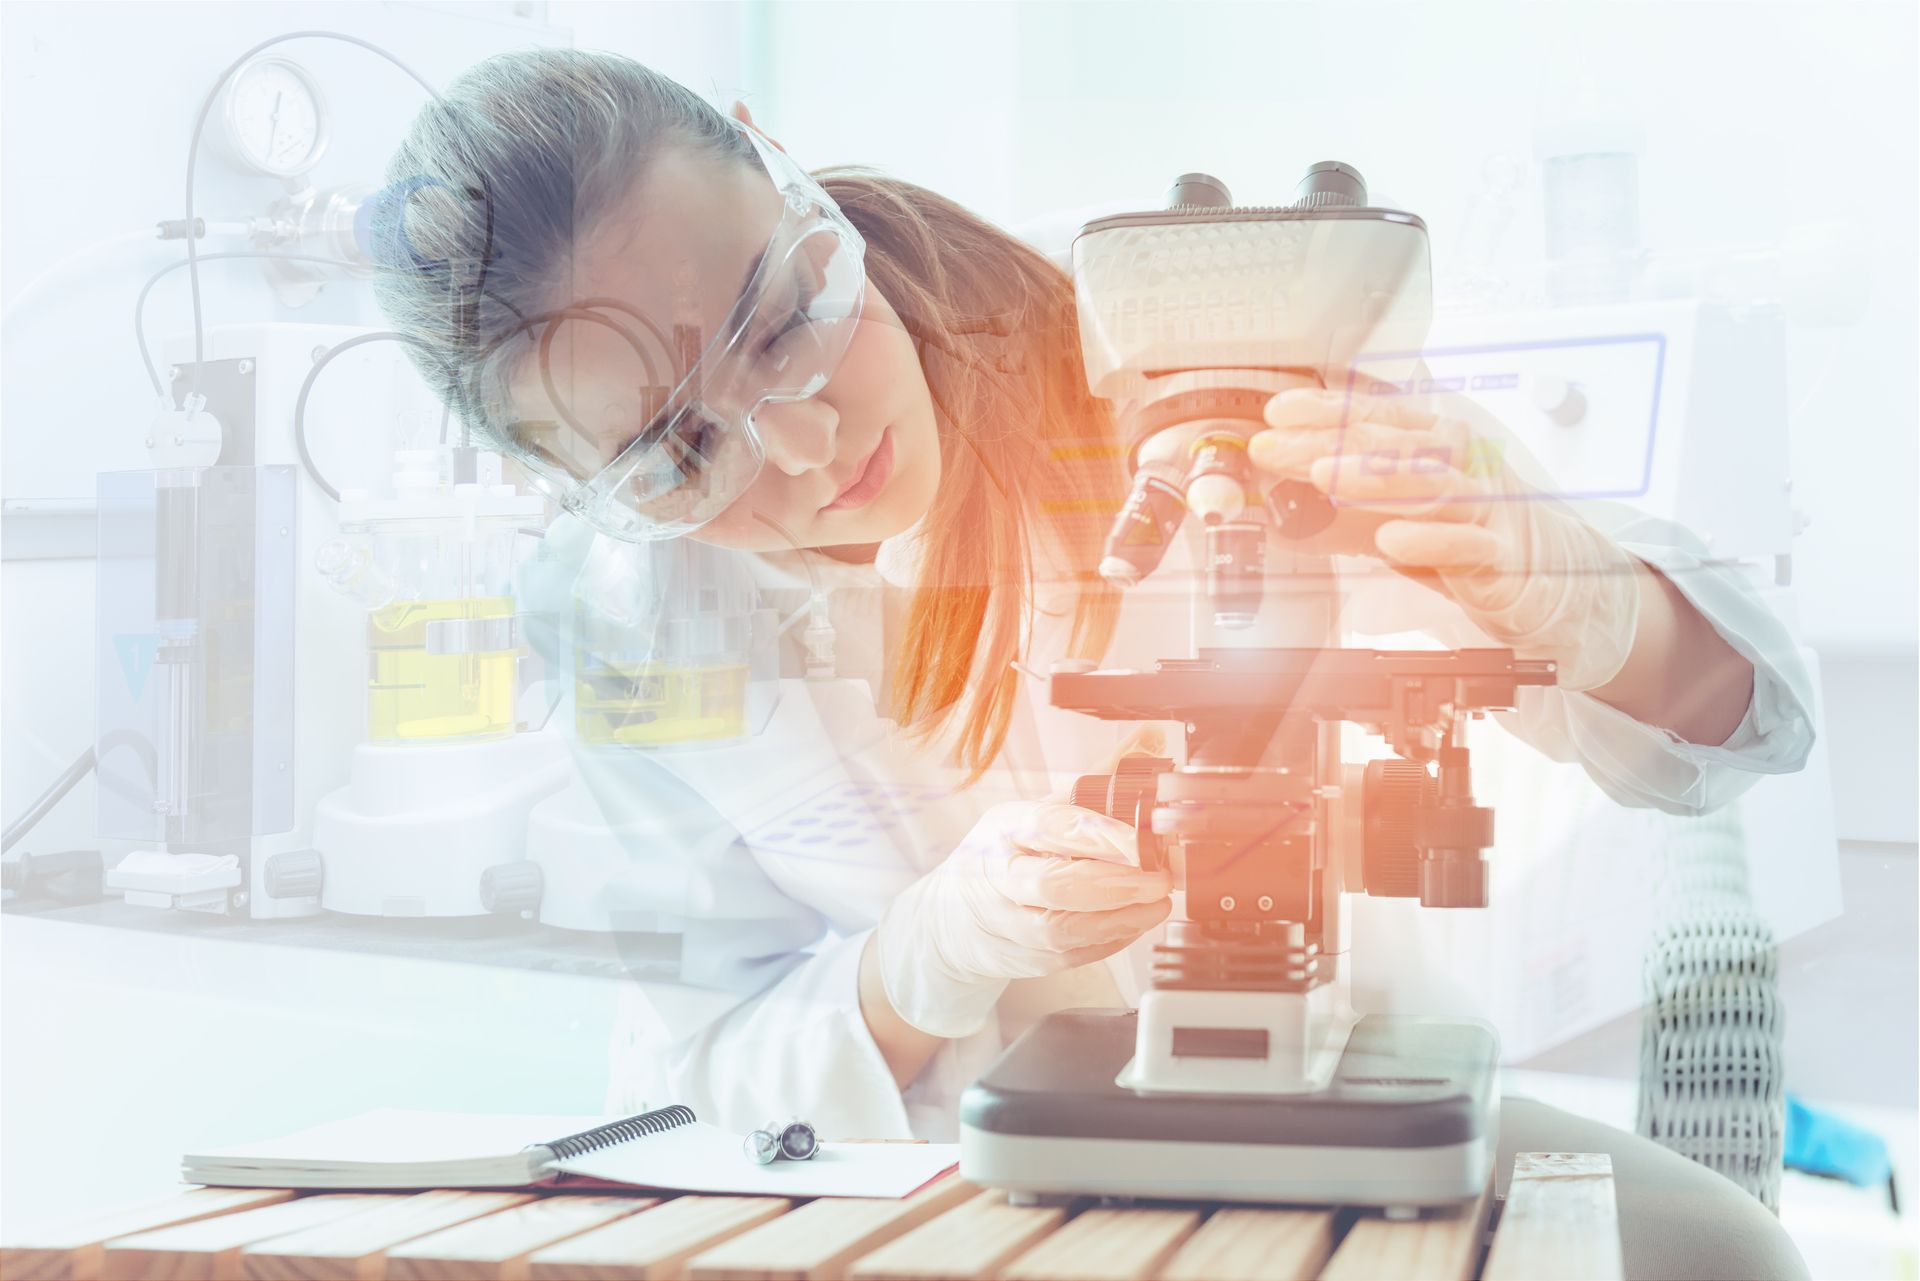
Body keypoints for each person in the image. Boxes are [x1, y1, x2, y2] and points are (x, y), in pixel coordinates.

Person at [375, 50, 1815, 1275]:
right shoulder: (631, 614)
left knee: (1729, 1255)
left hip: (1348, 1099)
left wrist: (1584, 600)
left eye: (782, 317)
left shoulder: (1171, 320)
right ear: (572, 491)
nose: (807, 451)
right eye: (678, 451)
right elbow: (696, 1089)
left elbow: (1757, 721)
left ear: (777, 159)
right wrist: (926, 956)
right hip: (957, 1183)